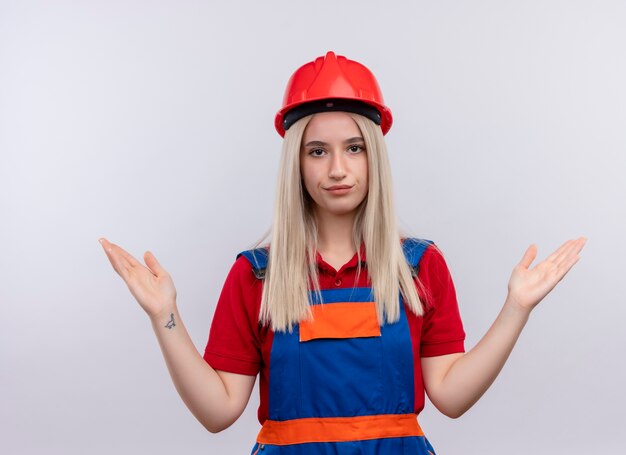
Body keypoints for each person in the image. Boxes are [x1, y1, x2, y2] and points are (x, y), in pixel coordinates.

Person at [99, 51, 586, 454]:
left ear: (375, 156)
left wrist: (516, 309)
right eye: (318, 151)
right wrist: (165, 316)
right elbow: (218, 410)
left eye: (354, 148)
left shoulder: (419, 267)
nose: (337, 168)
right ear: (297, 162)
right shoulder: (257, 275)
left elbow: (452, 397)